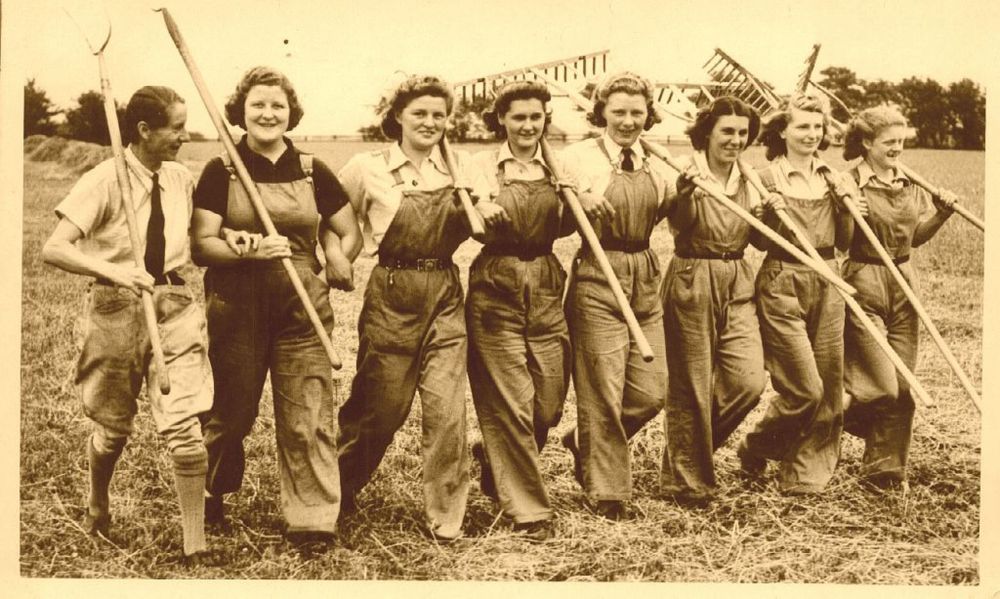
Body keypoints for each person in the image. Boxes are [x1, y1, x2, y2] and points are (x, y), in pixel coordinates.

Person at [41, 86, 214, 563]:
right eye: (175, 127)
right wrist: (116, 271)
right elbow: (54, 247)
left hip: (174, 302)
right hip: (115, 306)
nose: (184, 135)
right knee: (113, 428)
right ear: (143, 130)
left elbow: (199, 239)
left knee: (184, 424)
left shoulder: (180, 178)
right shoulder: (104, 178)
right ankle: (98, 501)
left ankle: (194, 544)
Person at [191, 66, 360, 548]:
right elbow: (202, 244)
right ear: (241, 114)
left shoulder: (312, 169)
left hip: (302, 309)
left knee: (308, 415)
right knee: (231, 414)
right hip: (236, 307)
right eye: (258, 106)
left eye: (277, 106)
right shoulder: (221, 169)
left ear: (291, 113)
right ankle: (208, 491)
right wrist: (250, 249)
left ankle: (312, 518)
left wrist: (335, 255)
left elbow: (348, 230)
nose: (268, 114)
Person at [335, 74, 506, 542]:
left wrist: (487, 210)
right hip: (392, 290)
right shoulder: (366, 167)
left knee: (448, 411)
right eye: (420, 114)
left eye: (438, 115)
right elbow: (331, 219)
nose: (430, 123)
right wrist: (336, 258)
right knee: (381, 409)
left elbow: (484, 220)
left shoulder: (460, 168)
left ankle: (446, 515)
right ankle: (336, 488)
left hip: (445, 290)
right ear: (397, 117)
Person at [736, 93, 867, 494]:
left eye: (817, 126)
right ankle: (757, 445)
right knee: (803, 388)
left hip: (828, 279)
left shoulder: (835, 178)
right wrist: (764, 216)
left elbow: (844, 241)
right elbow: (757, 243)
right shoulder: (764, 177)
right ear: (783, 131)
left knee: (828, 387)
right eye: (802, 126)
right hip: (782, 280)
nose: (812, 134)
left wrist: (849, 211)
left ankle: (804, 472)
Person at [560, 72, 675, 520]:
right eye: (619, 111)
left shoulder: (659, 160)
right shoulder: (576, 158)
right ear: (602, 112)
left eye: (637, 112)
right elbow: (552, 207)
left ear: (649, 115)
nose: (628, 121)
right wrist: (577, 196)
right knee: (601, 390)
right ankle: (607, 492)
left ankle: (582, 442)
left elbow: (672, 209)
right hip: (598, 272)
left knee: (651, 391)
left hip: (644, 271)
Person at [466, 80, 573, 541]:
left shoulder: (559, 165)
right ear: (502, 121)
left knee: (546, 403)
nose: (528, 125)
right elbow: (470, 205)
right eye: (518, 117)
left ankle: (493, 460)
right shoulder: (481, 165)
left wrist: (580, 195)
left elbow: (579, 211)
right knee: (510, 399)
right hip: (497, 281)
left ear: (545, 119)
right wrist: (482, 204)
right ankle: (529, 510)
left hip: (547, 279)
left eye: (536, 117)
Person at [839, 106, 956, 489]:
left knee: (903, 386)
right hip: (864, 277)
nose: (897, 149)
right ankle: (833, 416)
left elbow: (914, 237)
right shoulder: (848, 182)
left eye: (901, 141)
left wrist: (940, 215)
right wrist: (847, 211)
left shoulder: (909, 181)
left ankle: (883, 473)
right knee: (881, 385)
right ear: (867, 143)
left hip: (904, 281)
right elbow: (839, 241)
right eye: (889, 142)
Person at [659, 97, 767, 504]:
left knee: (748, 381)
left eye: (743, 133)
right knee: (691, 386)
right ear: (707, 134)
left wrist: (774, 214)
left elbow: (757, 235)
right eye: (727, 131)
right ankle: (686, 482)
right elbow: (679, 224)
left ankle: (685, 458)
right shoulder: (689, 172)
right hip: (693, 274)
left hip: (738, 276)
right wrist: (684, 195)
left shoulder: (749, 178)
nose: (736, 140)